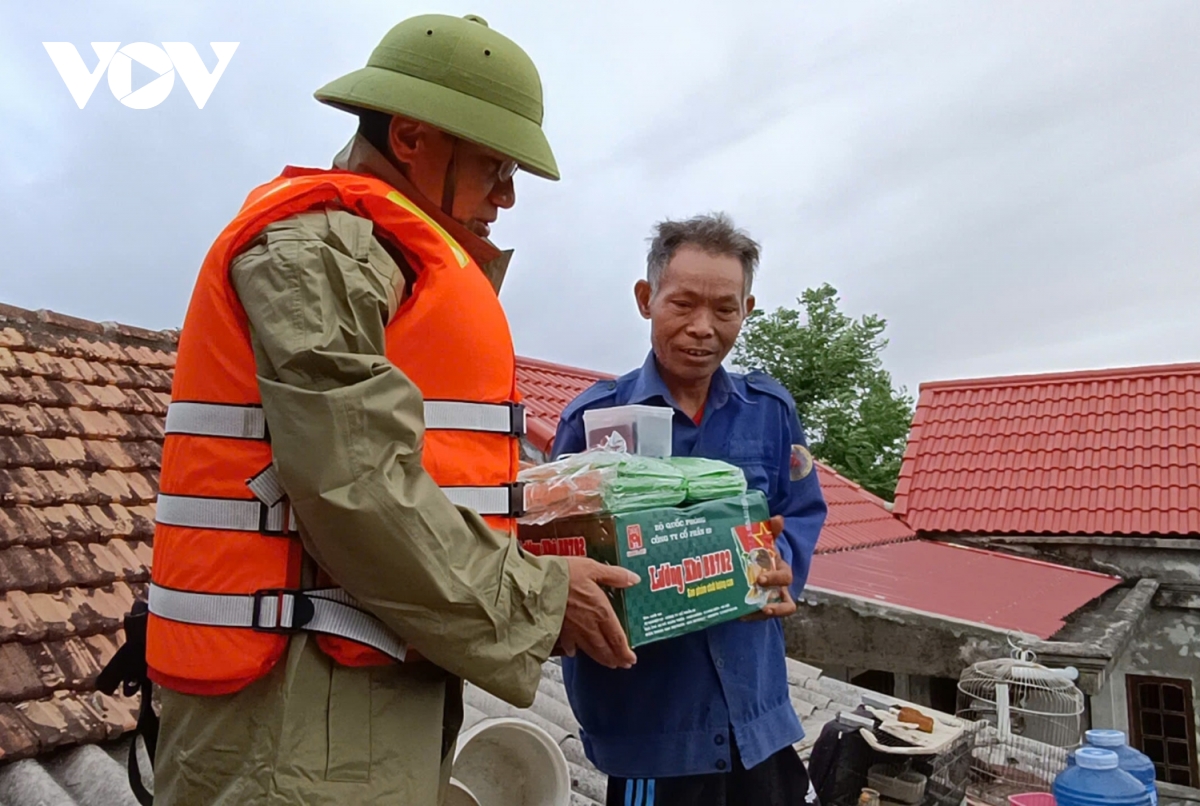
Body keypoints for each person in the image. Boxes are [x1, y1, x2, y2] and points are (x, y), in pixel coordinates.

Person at [136, 14, 637, 805]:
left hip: (343, 705)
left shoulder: (373, 252)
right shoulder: (320, 249)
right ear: (409, 137)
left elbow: (409, 476)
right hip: (298, 724)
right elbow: (356, 487)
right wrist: (538, 597)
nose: (506, 199)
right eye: (495, 168)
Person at [552, 213, 828, 806]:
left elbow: (799, 512)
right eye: (683, 305)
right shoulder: (593, 424)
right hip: (653, 726)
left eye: (725, 310)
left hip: (755, 717)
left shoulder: (769, 411)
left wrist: (780, 568)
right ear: (646, 299)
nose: (703, 328)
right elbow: (555, 547)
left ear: (747, 309)